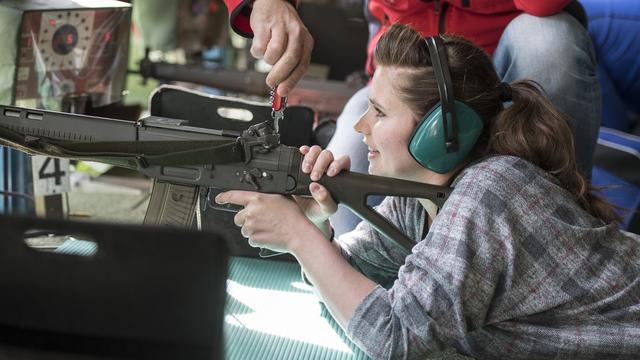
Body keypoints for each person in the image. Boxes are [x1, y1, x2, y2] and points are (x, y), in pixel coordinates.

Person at [215, 24, 640, 359]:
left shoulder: (488, 192)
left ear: (441, 133)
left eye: (379, 112)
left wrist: (298, 237)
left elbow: (394, 338)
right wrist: (315, 222)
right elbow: (352, 280)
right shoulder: (419, 200)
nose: (361, 127)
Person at [222, 0, 602, 236]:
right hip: (399, 86)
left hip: (500, 87)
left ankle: (562, 228)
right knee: (341, 209)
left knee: (549, 40)